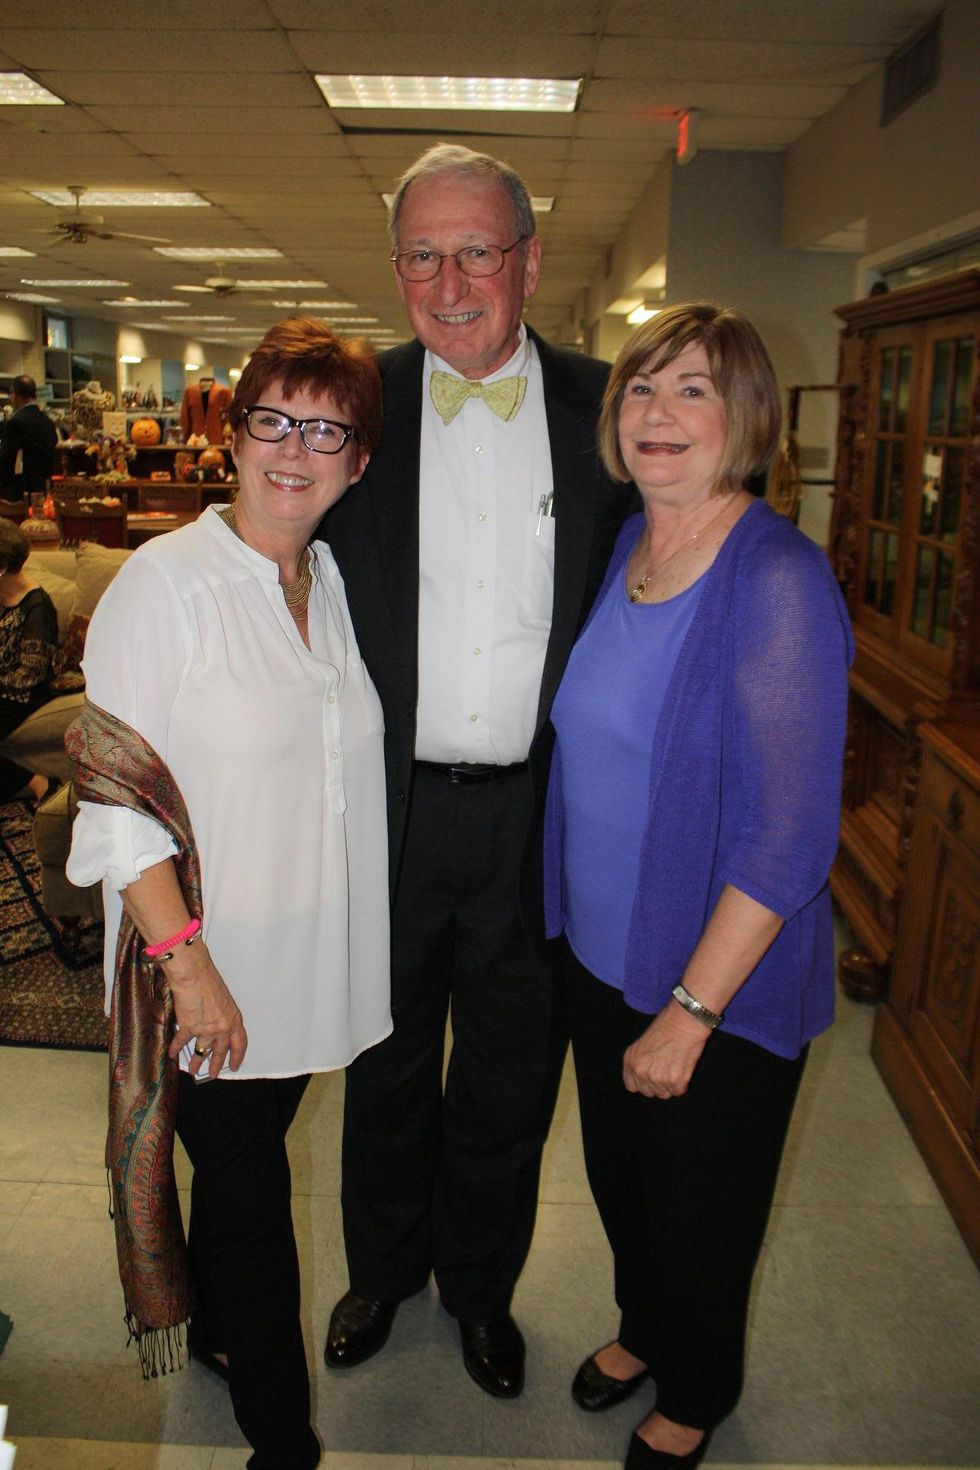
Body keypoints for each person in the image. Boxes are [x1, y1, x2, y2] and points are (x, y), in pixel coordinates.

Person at [320, 144, 633, 1396]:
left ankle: (479, 1292)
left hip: (536, 818)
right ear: (396, 268)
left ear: (527, 263)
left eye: (476, 252)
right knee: (383, 1064)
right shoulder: (356, 406)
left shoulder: (612, 416)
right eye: (422, 255)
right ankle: (381, 1273)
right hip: (384, 814)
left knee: (508, 1076)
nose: (450, 283)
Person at [65, 318, 391, 1470]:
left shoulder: (326, 577)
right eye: (272, 420)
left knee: (250, 1159)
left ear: (358, 459)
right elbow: (112, 806)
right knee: (251, 1199)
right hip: (202, 961)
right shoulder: (167, 584)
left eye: (326, 428)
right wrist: (190, 970)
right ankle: (278, 1438)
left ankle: (214, 1339)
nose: (293, 450)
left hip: (302, 956)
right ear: (233, 433)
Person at [543, 303, 854, 1469]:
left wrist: (687, 1013)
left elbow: (786, 837)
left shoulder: (775, 580)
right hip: (601, 949)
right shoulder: (630, 540)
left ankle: (698, 1388)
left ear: (746, 421)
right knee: (623, 1181)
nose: (656, 415)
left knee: (701, 1208)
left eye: (692, 391)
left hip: (712, 981)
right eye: (639, 389)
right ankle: (641, 1326)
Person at [0, 518, 58, 804]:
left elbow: (30, 673)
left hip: (23, 698)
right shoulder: (2, 597)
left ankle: (34, 778)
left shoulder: (37, 606)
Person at [0, 375, 58, 495]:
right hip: (45, 488)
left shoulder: (15, 422)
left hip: (22, 492)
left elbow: (6, 460)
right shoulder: (48, 422)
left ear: (15, 395)